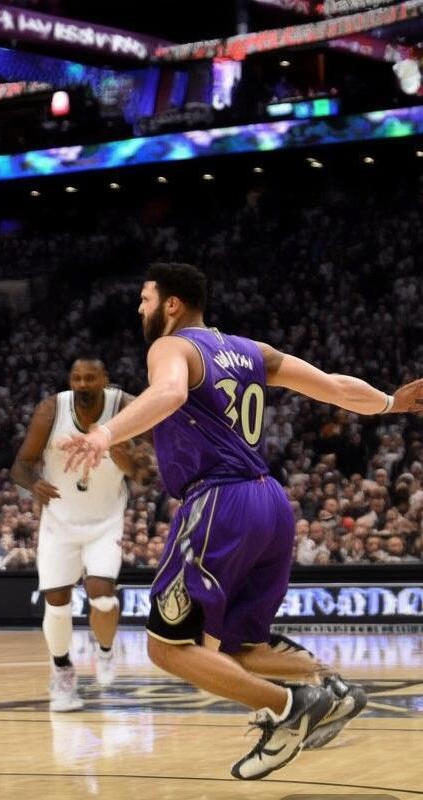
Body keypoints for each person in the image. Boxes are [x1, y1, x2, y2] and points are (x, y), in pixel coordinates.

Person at [61, 263, 423, 780]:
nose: (139, 309)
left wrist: (104, 434)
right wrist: (388, 402)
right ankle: (331, 688)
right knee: (237, 645)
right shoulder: (250, 350)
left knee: (167, 647)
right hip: (270, 502)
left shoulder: (171, 347)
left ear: (171, 304)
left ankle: (288, 707)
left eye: (145, 299)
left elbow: (170, 393)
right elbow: (332, 387)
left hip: (219, 500)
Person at [11, 358, 151, 710]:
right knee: (57, 604)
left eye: (90, 378)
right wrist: (34, 484)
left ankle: (105, 650)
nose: (83, 384)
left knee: (102, 594)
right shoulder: (50, 411)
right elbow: (20, 465)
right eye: (77, 378)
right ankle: (62, 672)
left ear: (105, 380)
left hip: (105, 520)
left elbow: (145, 475)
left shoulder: (128, 408)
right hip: (59, 521)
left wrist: (126, 460)